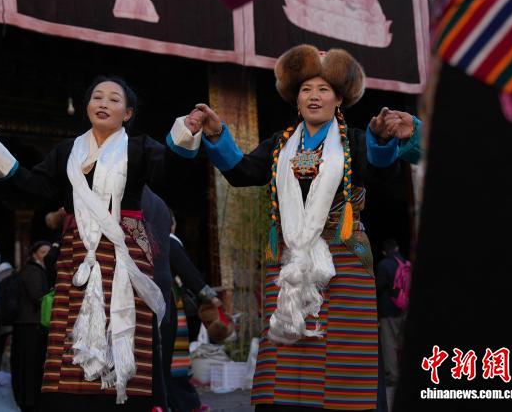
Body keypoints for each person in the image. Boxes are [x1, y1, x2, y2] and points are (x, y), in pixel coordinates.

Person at [173, 44, 421, 411]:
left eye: (323, 89)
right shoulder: (280, 145)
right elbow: (242, 171)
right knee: (287, 344)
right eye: (306, 89)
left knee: (342, 342)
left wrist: (383, 140)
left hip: (343, 258)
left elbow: (380, 172)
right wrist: (215, 133)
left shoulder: (354, 141)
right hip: (289, 259)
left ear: (339, 99)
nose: (314, 96)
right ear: (296, 99)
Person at [0, 75, 203, 411]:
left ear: (128, 114)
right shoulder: (67, 152)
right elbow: (33, 186)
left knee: (126, 335)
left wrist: (187, 132)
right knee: (70, 338)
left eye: (114, 99)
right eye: (97, 97)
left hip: (126, 258)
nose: (103, 103)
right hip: (78, 257)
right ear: (87, 107)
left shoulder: (140, 148)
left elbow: (171, 173)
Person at [168, 210, 217, 412]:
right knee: (174, 359)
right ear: (172, 223)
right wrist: (209, 296)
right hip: (169, 304)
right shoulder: (169, 241)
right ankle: (188, 404)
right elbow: (188, 273)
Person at [11, 240, 51, 412]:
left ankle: (29, 399)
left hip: (29, 323)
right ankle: (29, 401)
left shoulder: (35, 270)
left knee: (30, 364)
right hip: (29, 324)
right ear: (35, 254)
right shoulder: (33, 271)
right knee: (29, 364)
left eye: (48, 253)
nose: (45, 256)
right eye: (42, 252)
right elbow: (37, 295)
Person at [375, 239, 406, 408]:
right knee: (401, 342)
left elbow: (378, 287)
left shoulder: (384, 265)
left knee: (389, 343)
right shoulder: (406, 263)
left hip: (388, 310)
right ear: (397, 247)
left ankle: (393, 376)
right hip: (404, 308)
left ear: (384, 252)